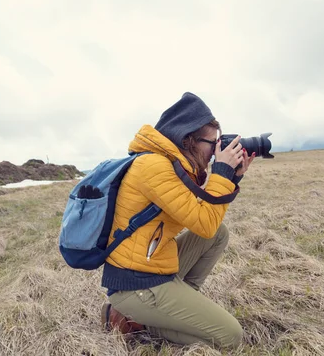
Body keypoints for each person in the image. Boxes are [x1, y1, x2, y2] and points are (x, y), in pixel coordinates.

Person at [100, 92, 256, 349]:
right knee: (230, 337)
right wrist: (222, 174)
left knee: (218, 234)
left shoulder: (171, 165)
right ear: (188, 140)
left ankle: (177, 309)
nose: (217, 150)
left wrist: (231, 177)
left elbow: (207, 223)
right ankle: (132, 321)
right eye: (213, 143)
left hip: (154, 264)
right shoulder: (153, 167)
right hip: (136, 284)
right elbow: (203, 220)